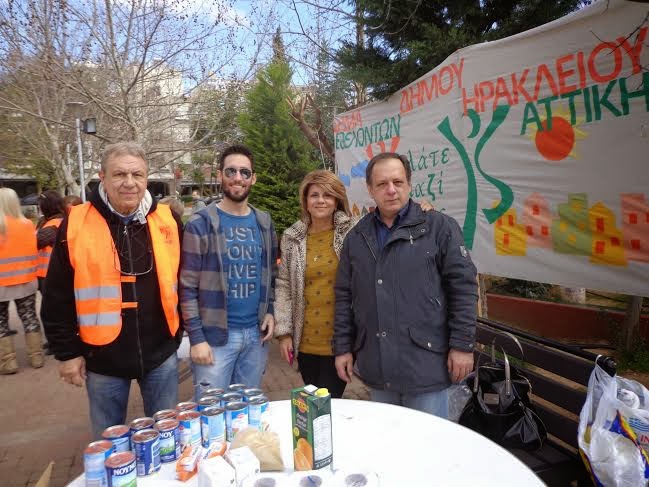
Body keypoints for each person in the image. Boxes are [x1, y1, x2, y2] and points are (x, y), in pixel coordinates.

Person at [41, 142, 184, 438]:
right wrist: (67, 353)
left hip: (161, 354)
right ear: (102, 177)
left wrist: (179, 336)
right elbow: (57, 295)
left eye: (137, 175)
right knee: (110, 444)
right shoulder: (76, 223)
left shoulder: (168, 220)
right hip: (103, 358)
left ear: (147, 178)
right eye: (120, 174)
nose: (129, 183)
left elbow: (183, 281)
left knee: (166, 438)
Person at [333, 152, 478, 418]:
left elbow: (464, 288)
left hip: (426, 365)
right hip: (379, 367)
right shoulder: (357, 237)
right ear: (370, 190)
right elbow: (344, 296)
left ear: (409, 185)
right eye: (382, 184)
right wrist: (342, 347)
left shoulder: (439, 228)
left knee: (429, 449)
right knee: (390, 448)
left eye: (398, 182)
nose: (391, 190)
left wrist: (462, 346)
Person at [180, 144, 277, 398]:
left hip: (256, 338)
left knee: (246, 413)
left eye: (245, 172)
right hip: (215, 338)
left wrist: (269, 311)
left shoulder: (264, 222)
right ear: (220, 175)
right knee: (210, 415)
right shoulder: (200, 223)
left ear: (253, 178)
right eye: (231, 171)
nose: (238, 178)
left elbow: (270, 275)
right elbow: (187, 286)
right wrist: (197, 338)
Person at [274, 170, 353, 398]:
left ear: (337, 200)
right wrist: (284, 333)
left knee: (327, 402)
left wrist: (423, 210)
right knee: (314, 405)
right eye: (314, 195)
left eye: (327, 195)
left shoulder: (351, 233)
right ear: (305, 201)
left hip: (339, 340)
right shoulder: (292, 237)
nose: (320, 200)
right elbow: (284, 285)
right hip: (305, 342)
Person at [0, 188, 44, 374]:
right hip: (26, 281)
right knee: (30, 318)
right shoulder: (27, 224)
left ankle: (8, 362)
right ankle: (36, 357)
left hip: (1, 284)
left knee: (1, 323)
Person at [36, 190, 66, 294]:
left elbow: (34, 243)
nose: (38, 207)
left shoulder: (53, 225)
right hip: (55, 272)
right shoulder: (62, 220)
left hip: (48, 274)